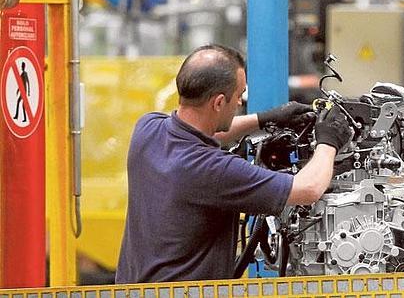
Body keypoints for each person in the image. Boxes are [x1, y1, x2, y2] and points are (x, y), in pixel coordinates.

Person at [115, 44, 351, 283]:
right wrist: (329, 141)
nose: (239, 103)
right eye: (238, 96)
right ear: (218, 103)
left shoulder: (147, 128)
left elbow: (206, 132)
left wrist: (264, 119)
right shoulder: (212, 169)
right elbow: (308, 189)